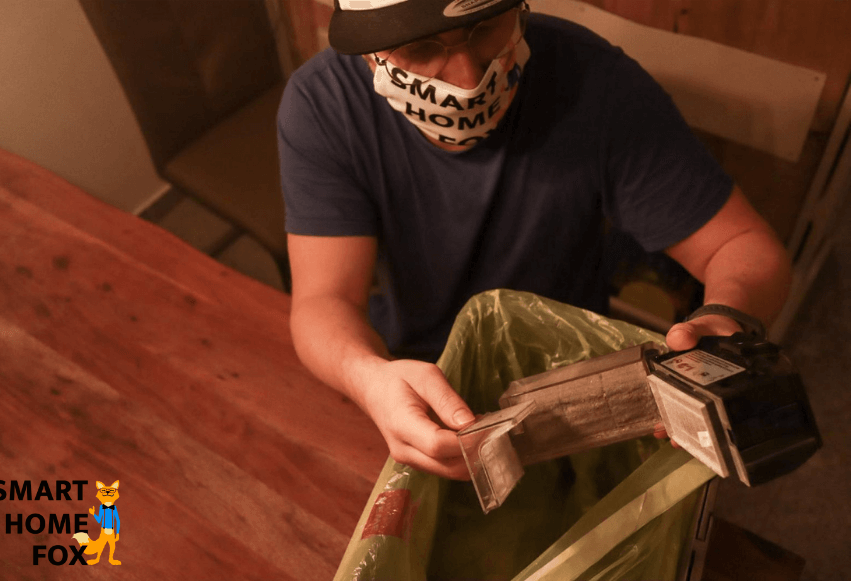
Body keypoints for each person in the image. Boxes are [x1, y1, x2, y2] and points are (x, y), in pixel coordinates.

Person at [277, 0, 791, 481]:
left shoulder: (596, 82)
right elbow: (324, 300)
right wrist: (368, 377)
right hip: (409, 378)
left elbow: (743, 245)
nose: (467, 77)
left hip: (576, 387)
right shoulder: (324, 106)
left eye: (484, 29)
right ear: (369, 56)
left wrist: (725, 318)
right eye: (421, 47)